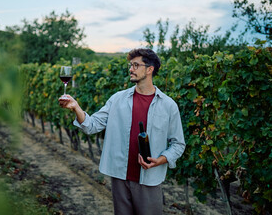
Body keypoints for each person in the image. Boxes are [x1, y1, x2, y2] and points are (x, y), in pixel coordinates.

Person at [59, 48, 185, 215]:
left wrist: (160, 160)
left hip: (150, 178)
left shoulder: (168, 105)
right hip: (120, 177)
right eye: (130, 65)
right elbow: (92, 125)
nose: (130, 69)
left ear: (149, 69)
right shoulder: (117, 99)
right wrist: (76, 107)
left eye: (135, 65)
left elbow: (178, 144)